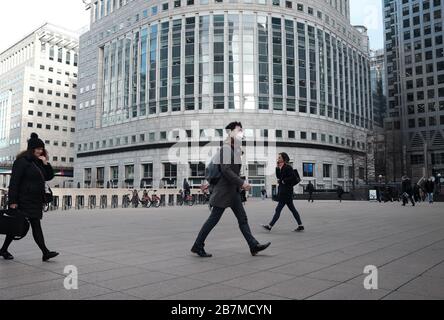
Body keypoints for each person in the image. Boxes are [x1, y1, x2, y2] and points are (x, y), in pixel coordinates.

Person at [191, 122, 271, 258]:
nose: (241, 133)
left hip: (232, 192)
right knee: (213, 220)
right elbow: (225, 170)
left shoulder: (234, 149)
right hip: (224, 192)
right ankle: (198, 245)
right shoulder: (226, 148)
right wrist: (242, 183)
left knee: (243, 219)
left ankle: (253, 245)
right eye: (239, 131)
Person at [0, 133, 58, 261]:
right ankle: (45, 252)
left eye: (41, 148)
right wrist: (13, 201)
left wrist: (46, 163)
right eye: (37, 149)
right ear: (31, 149)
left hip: (35, 200)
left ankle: (4, 249)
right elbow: (14, 182)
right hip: (24, 200)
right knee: (26, 224)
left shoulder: (39, 162)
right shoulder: (22, 162)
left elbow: (49, 177)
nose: (40, 151)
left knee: (20, 224)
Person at [262, 153, 304, 232]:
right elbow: (278, 177)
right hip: (284, 191)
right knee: (293, 210)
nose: (278, 159)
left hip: (286, 192)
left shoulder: (288, 167)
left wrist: (284, 181)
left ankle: (270, 226)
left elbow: (293, 177)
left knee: (278, 209)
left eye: (279, 157)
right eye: (278, 157)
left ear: (284, 159)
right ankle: (300, 225)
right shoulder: (280, 167)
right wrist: (277, 168)